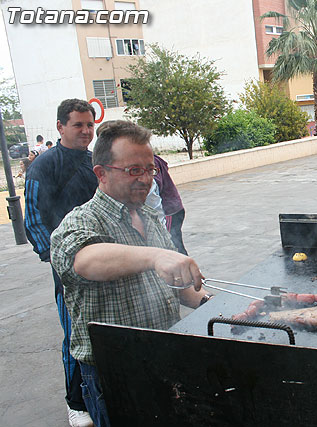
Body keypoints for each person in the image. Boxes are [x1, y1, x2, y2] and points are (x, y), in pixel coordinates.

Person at [50, 120, 211, 427]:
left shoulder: (150, 216)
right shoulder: (80, 222)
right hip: (114, 372)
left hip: (165, 355)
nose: (146, 179)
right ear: (102, 173)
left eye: (150, 170)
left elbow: (179, 289)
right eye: (133, 170)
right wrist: (157, 256)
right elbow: (86, 261)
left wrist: (212, 303)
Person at [24, 99, 98, 427]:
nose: (85, 131)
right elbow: (34, 221)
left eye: (89, 125)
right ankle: (76, 402)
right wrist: (59, 261)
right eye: (78, 125)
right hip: (68, 269)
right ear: (60, 127)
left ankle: (104, 390)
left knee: (106, 331)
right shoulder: (44, 166)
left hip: (102, 261)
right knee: (75, 335)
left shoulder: (96, 162)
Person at [154, 154, 189, 255]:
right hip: (174, 208)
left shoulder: (152, 162)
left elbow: (154, 195)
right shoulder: (156, 160)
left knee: (173, 245)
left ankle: (186, 268)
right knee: (175, 244)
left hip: (170, 211)